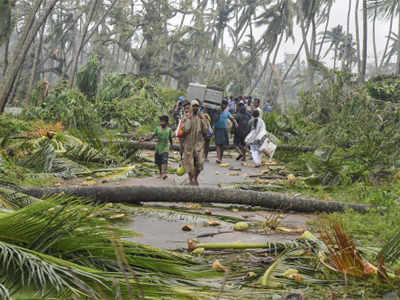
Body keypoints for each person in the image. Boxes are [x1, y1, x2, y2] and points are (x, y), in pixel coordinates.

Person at [182, 99, 211, 186]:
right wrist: (189, 119)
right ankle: (191, 179)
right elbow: (186, 129)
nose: (195, 108)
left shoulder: (202, 117)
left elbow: (206, 131)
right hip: (189, 143)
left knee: (200, 162)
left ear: (199, 107)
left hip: (199, 143)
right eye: (193, 106)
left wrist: (203, 119)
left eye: (196, 106)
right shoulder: (186, 116)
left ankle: (195, 177)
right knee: (189, 163)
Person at [146, 115, 173, 179]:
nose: (161, 122)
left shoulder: (169, 130)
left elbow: (170, 138)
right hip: (158, 147)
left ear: (166, 122)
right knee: (158, 161)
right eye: (160, 121)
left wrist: (172, 146)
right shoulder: (157, 128)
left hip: (165, 147)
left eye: (162, 121)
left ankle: (164, 173)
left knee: (164, 160)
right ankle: (161, 173)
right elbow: (152, 136)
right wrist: (145, 139)